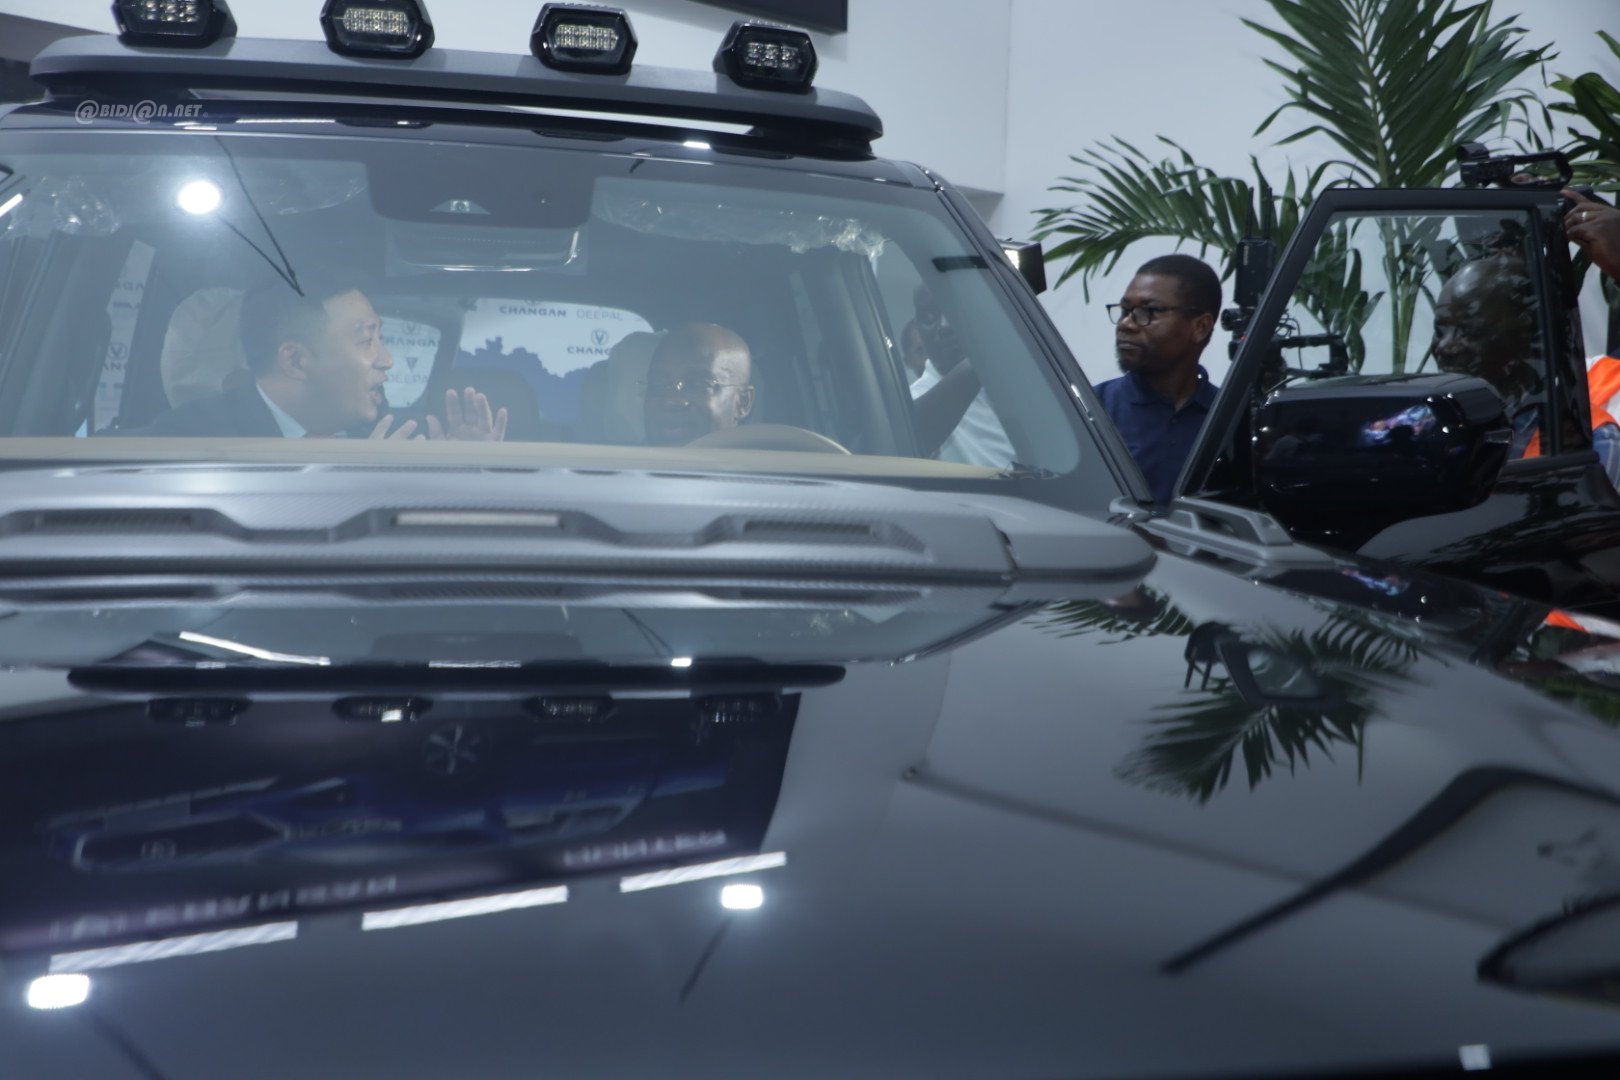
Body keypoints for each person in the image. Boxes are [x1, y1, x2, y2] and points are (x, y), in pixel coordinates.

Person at [140, 273, 506, 441]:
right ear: (296, 361)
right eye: (367, 341)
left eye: (381, 338)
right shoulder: (190, 441)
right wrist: (358, 487)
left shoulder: (400, 439)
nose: (387, 360)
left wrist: (467, 476)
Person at [1431, 251, 1620, 487]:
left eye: (1468, 331)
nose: (1445, 347)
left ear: (1526, 337)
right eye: (1439, 331)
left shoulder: (1592, 442)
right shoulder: (1431, 429)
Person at [1094, 254, 1221, 505]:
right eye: (1125, 310)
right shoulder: (1093, 409)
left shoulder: (1229, 417)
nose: (1126, 324)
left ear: (1200, 327)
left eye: (1149, 311)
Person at [905, 285, 1016, 468]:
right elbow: (910, 433)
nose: (944, 326)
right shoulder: (913, 401)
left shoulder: (1015, 378)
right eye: (929, 317)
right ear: (918, 328)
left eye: (955, 312)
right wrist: (980, 358)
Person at [642, 323, 754, 447]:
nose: (671, 401)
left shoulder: (767, 458)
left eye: (698, 384)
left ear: (742, 403)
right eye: (659, 384)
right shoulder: (625, 456)